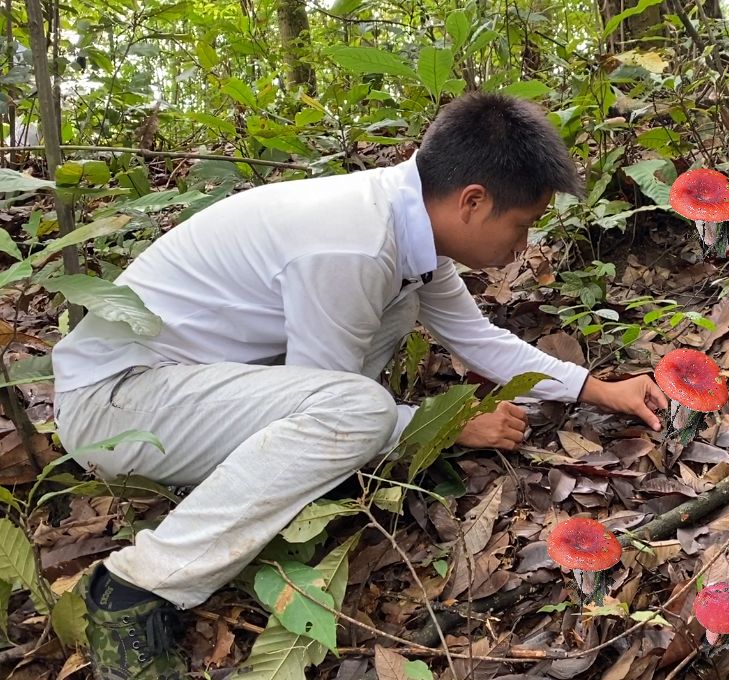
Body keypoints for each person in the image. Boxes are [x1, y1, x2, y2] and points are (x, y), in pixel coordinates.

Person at [51, 92, 669, 678]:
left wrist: (598, 388)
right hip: (119, 405)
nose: (524, 244)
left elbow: (478, 339)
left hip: (186, 393)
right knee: (358, 412)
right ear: (473, 202)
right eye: (523, 224)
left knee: (383, 345)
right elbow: (337, 401)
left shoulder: (403, 229)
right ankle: (136, 587)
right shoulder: (352, 245)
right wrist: (448, 426)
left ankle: (318, 483)